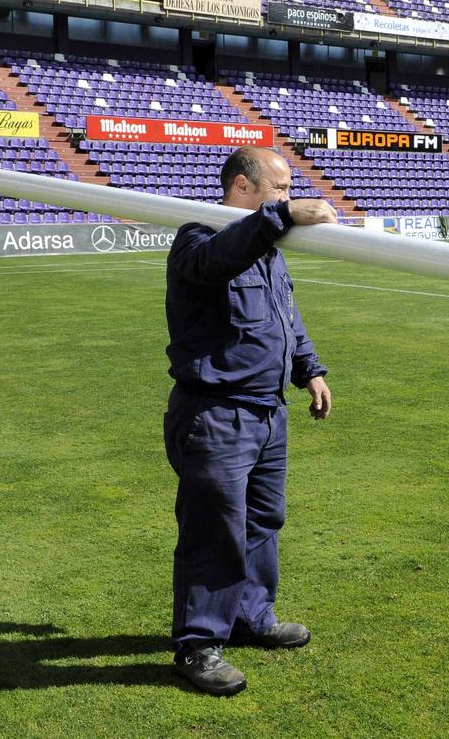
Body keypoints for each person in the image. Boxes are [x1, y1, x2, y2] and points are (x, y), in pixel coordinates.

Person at [164, 147, 338, 696]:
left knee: (264, 519)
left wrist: (309, 369)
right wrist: (281, 217)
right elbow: (217, 261)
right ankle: (198, 645)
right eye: (280, 188)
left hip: (268, 412)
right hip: (215, 414)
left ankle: (251, 617)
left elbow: (286, 314)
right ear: (245, 187)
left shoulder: (268, 250)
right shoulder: (198, 237)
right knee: (213, 531)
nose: (287, 196)